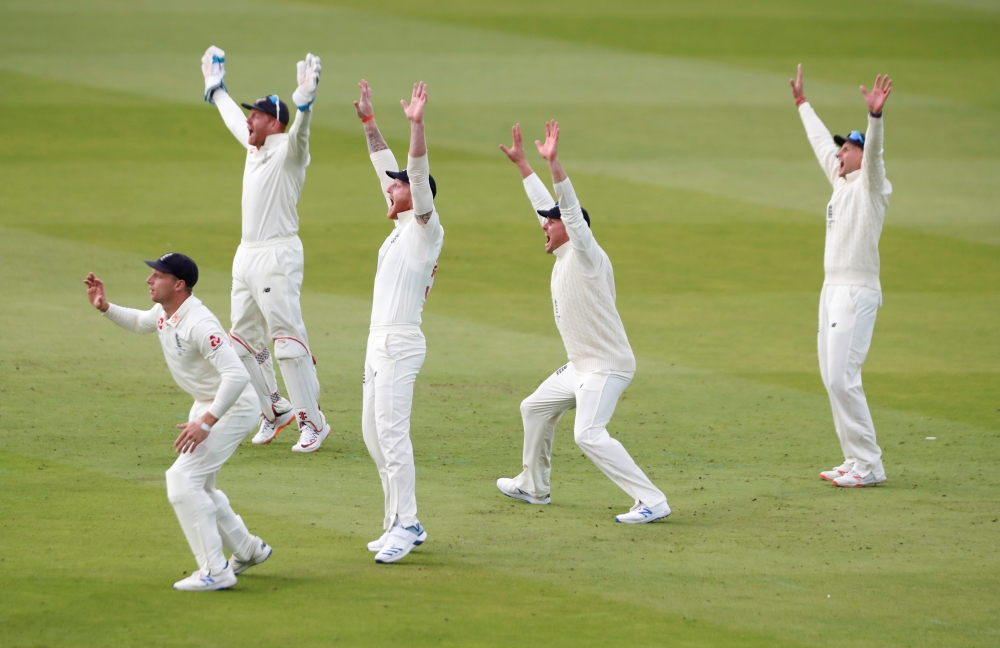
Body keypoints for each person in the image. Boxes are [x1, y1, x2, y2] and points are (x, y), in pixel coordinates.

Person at [496, 122, 670, 524]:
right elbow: (547, 206)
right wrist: (524, 166)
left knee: (588, 434)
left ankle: (652, 500)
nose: (544, 225)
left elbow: (567, 208)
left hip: (607, 366)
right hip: (579, 367)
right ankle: (534, 487)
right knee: (534, 408)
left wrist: (554, 163)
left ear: (573, 229)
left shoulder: (587, 255)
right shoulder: (562, 256)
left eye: (552, 222)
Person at [84, 253, 272, 591]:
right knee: (201, 486)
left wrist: (207, 423)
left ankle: (215, 571)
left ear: (179, 284)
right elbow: (142, 321)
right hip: (206, 405)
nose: (149, 281)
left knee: (182, 480)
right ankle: (247, 549)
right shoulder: (165, 312)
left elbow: (237, 375)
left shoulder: (200, 323)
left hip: (232, 408)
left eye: (157, 275)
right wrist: (105, 307)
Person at [200, 45, 329, 452]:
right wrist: (216, 89)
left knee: (287, 344)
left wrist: (305, 105)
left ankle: (314, 422)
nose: (248, 121)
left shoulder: (289, 153)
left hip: (277, 255)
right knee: (240, 343)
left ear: (274, 123)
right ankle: (275, 410)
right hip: (246, 255)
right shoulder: (255, 147)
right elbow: (233, 122)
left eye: (255, 115)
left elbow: (301, 136)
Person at [351, 80, 443, 563]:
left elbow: (416, 170)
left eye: (399, 184)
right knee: (372, 435)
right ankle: (396, 519)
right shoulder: (400, 225)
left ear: (419, 194)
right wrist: (369, 122)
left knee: (391, 433)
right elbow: (382, 166)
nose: (389, 186)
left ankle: (408, 523)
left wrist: (416, 125)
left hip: (401, 341)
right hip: (378, 342)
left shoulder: (426, 230)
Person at [790, 64, 893, 487]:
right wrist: (802, 103)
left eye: (846, 149)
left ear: (860, 155)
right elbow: (819, 143)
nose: (838, 154)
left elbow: (876, 155)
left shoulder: (872, 186)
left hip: (856, 291)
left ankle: (870, 464)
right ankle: (853, 458)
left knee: (842, 377)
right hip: (831, 289)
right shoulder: (840, 183)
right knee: (831, 378)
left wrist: (875, 118)